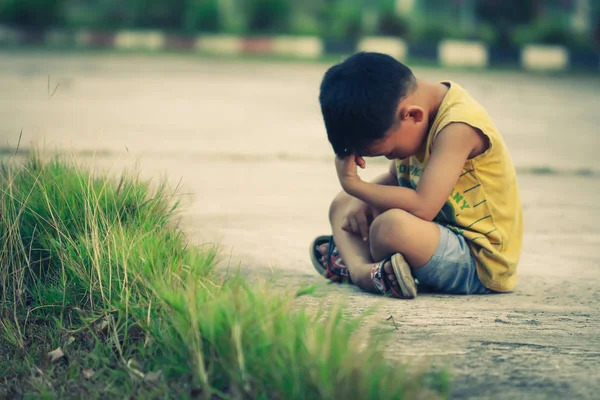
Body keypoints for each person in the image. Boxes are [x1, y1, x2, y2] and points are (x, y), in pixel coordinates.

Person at [309, 52, 522, 299]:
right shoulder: (410, 114)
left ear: (412, 115)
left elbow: (423, 206)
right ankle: (363, 271)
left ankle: (353, 263)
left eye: (388, 152)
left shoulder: (458, 126)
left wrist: (354, 185)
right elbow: (396, 178)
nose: (392, 159)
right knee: (343, 204)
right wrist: (358, 198)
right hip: (431, 237)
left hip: (477, 260)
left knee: (388, 228)